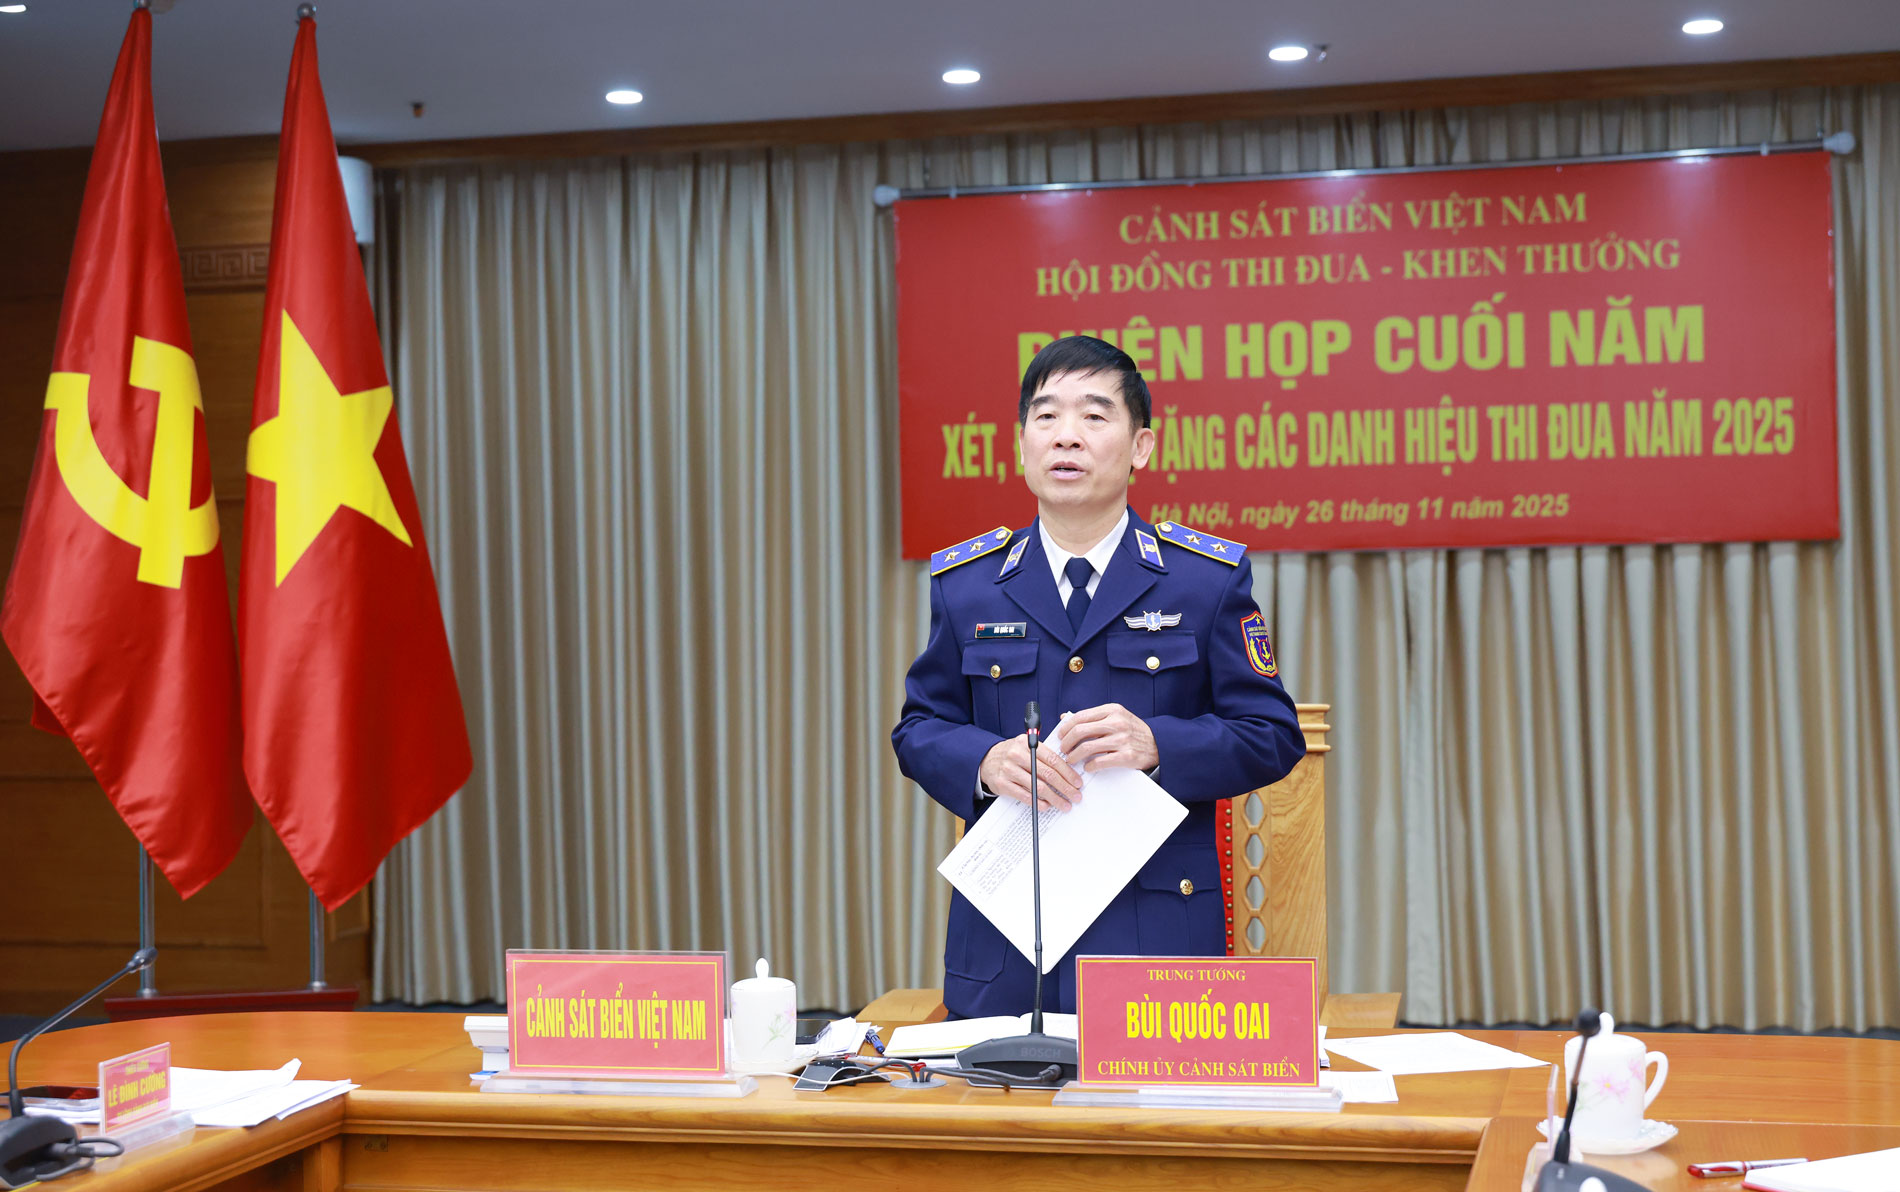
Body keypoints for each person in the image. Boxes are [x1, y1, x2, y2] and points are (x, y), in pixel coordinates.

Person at [891, 334, 1306, 1020]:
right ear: (1021, 443)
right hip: (1007, 954)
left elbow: (1272, 733)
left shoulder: (1204, 580)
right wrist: (984, 762)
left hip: (1159, 943)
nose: (1066, 436)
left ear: (1141, 447)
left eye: (1093, 415)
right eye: (1046, 416)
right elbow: (919, 730)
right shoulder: (967, 586)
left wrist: (1160, 745)